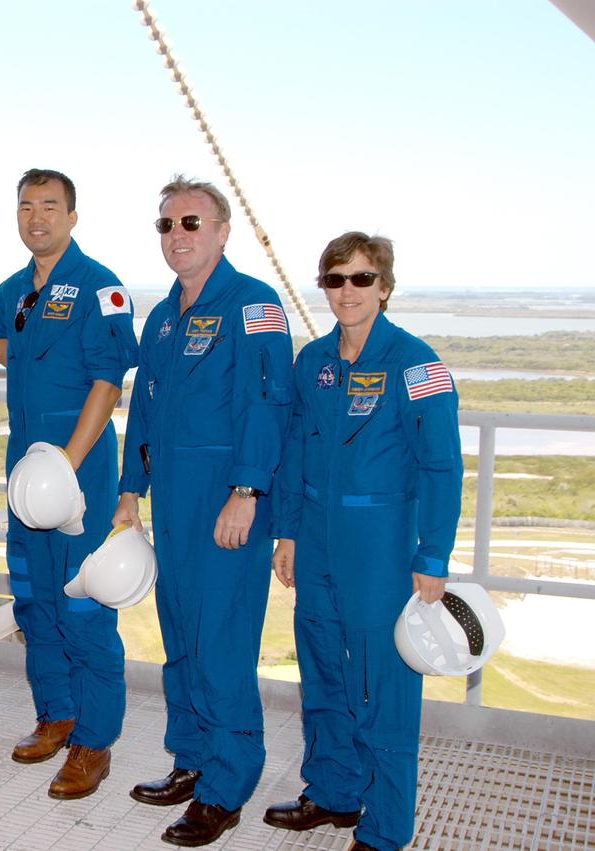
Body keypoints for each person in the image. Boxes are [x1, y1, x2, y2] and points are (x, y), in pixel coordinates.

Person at [263, 232, 462, 851]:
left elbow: (442, 467)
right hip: (316, 539)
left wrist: (432, 556)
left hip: (380, 545)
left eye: (360, 278)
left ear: (384, 287)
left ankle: (385, 829)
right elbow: (295, 450)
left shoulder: (417, 363)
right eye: (334, 279)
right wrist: (287, 532)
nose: (346, 291)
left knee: (384, 689)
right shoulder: (312, 362)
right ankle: (333, 793)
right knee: (321, 671)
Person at [114, 175, 293, 845]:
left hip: (227, 499)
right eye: (166, 224)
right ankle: (191, 758)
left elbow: (268, 404)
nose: (177, 235)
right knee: (182, 638)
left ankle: (227, 785)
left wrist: (246, 490)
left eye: (191, 222)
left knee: (220, 644)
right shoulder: (163, 315)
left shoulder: (254, 304)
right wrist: (130, 486)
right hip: (175, 499)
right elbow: (146, 408)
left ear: (222, 231)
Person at [0, 169, 137, 800]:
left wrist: (65, 465)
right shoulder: (14, 290)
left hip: (78, 468)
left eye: (49, 206)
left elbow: (108, 381)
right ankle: (58, 713)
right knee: (35, 600)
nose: (36, 217)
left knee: (83, 603)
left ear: (73, 217)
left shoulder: (102, 287)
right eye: (26, 207)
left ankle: (93, 742)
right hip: (26, 465)